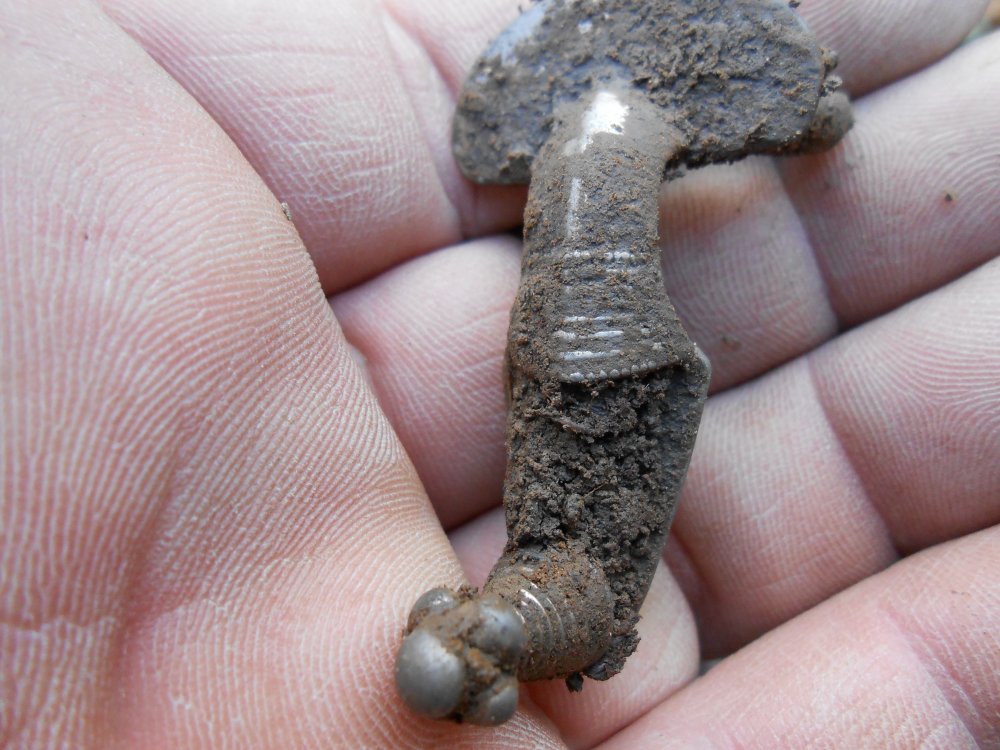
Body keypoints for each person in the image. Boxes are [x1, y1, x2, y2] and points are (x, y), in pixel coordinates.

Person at [2, 0, 997, 747]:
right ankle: (534, 609)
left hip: (581, 469)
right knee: (580, 544)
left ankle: (534, 608)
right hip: (574, 495)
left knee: (581, 532)